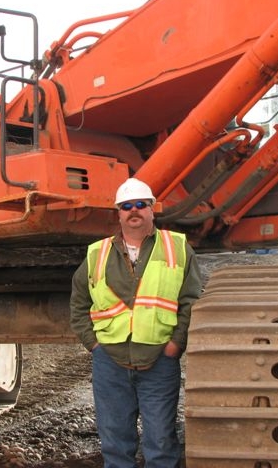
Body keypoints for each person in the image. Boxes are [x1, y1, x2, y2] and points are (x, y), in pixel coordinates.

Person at [70, 177, 203, 468]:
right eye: (126, 206)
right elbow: (79, 303)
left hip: (159, 359)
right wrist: (94, 345)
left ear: (152, 209)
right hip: (110, 362)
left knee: (161, 443)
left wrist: (175, 345)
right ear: (118, 213)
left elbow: (191, 300)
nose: (134, 210)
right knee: (115, 444)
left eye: (140, 204)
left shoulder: (177, 247)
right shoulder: (97, 253)